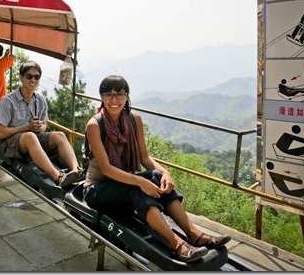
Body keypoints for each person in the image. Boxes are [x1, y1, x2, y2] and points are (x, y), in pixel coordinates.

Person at [83, 75, 231, 263]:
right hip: (98, 189)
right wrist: (140, 181)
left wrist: (165, 173)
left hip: (123, 183)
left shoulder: (134, 120)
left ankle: (193, 234)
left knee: (154, 176)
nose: (114, 100)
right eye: (108, 95)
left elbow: (145, 158)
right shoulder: (95, 125)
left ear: (127, 96)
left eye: (119, 94)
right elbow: (107, 169)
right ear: (101, 97)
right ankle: (177, 244)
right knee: (136, 187)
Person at [0, 61, 83, 187]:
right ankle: (57, 177)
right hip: (10, 143)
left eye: (36, 77)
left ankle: (76, 171)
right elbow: (0, 133)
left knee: (60, 135)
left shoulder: (40, 100)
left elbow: (44, 124)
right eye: (29, 76)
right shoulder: (8, 101)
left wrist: (40, 127)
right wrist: (27, 127)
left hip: (33, 139)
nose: (33, 80)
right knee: (30, 136)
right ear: (21, 78)